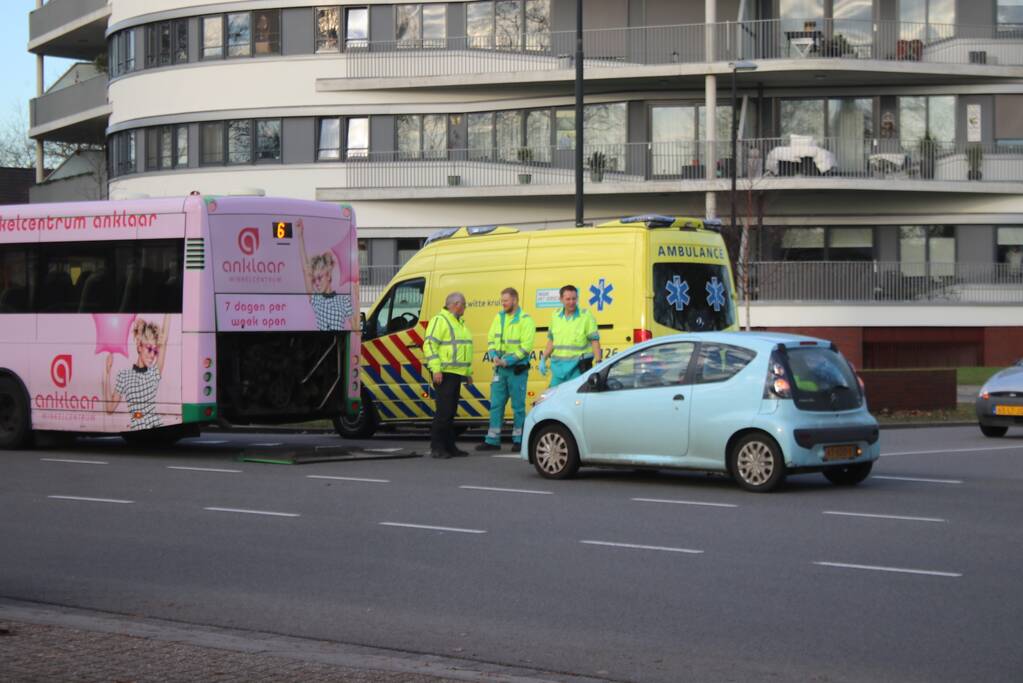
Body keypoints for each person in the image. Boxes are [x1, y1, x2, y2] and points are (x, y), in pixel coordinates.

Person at [476, 287, 535, 452]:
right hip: (499, 369)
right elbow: (491, 339)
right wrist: (493, 355)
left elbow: (525, 347)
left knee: (518, 407)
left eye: (506, 301)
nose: (503, 304)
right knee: (496, 404)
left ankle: (519, 440)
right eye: (502, 301)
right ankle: (492, 440)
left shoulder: (525, 319)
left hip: (516, 370)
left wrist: (506, 361)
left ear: (515, 300)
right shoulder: (499, 317)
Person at [424, 292, 474, 459]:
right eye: (464, 305)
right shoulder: (440, 320)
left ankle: (449, 446)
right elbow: (430, 345)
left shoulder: (459, 323)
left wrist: (467, 373)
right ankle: (437, 447)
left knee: (451, 412)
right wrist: (436, 369)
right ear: (456, 304)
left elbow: (463, 349)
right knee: (443, 412)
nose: (465, 308)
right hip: (444, 373)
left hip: (455, 373)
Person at [103, 315, 170, 431]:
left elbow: (164, 341)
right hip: (137, 430)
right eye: (149, 349)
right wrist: (106, 372)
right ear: (139, 347)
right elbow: (109, 407)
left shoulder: (154, 372)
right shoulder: (124, 375)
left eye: (155, 351)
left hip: (156, 427)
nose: (152, 355)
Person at [297, 218, 355, 331]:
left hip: (338, 345)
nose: (317, 283)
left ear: (328, 276)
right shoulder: (316, 299)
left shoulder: (344, 300)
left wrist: (356, 297)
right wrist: (300, 236)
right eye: (314, 280)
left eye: (320, 277)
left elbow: (355, 328)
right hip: (323, 346)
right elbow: (305, 270)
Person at [539, 285, 601, 387]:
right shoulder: (555, 316)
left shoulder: (586, 316)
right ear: (561, 299)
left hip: (578, 369)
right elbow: (551, 340)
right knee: (553, 398)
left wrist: (598, 362)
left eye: (574, 298)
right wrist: (543, 358)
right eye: (568, 299)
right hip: (558, 370)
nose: (571, 302)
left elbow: (595, 341)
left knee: (575, 401)